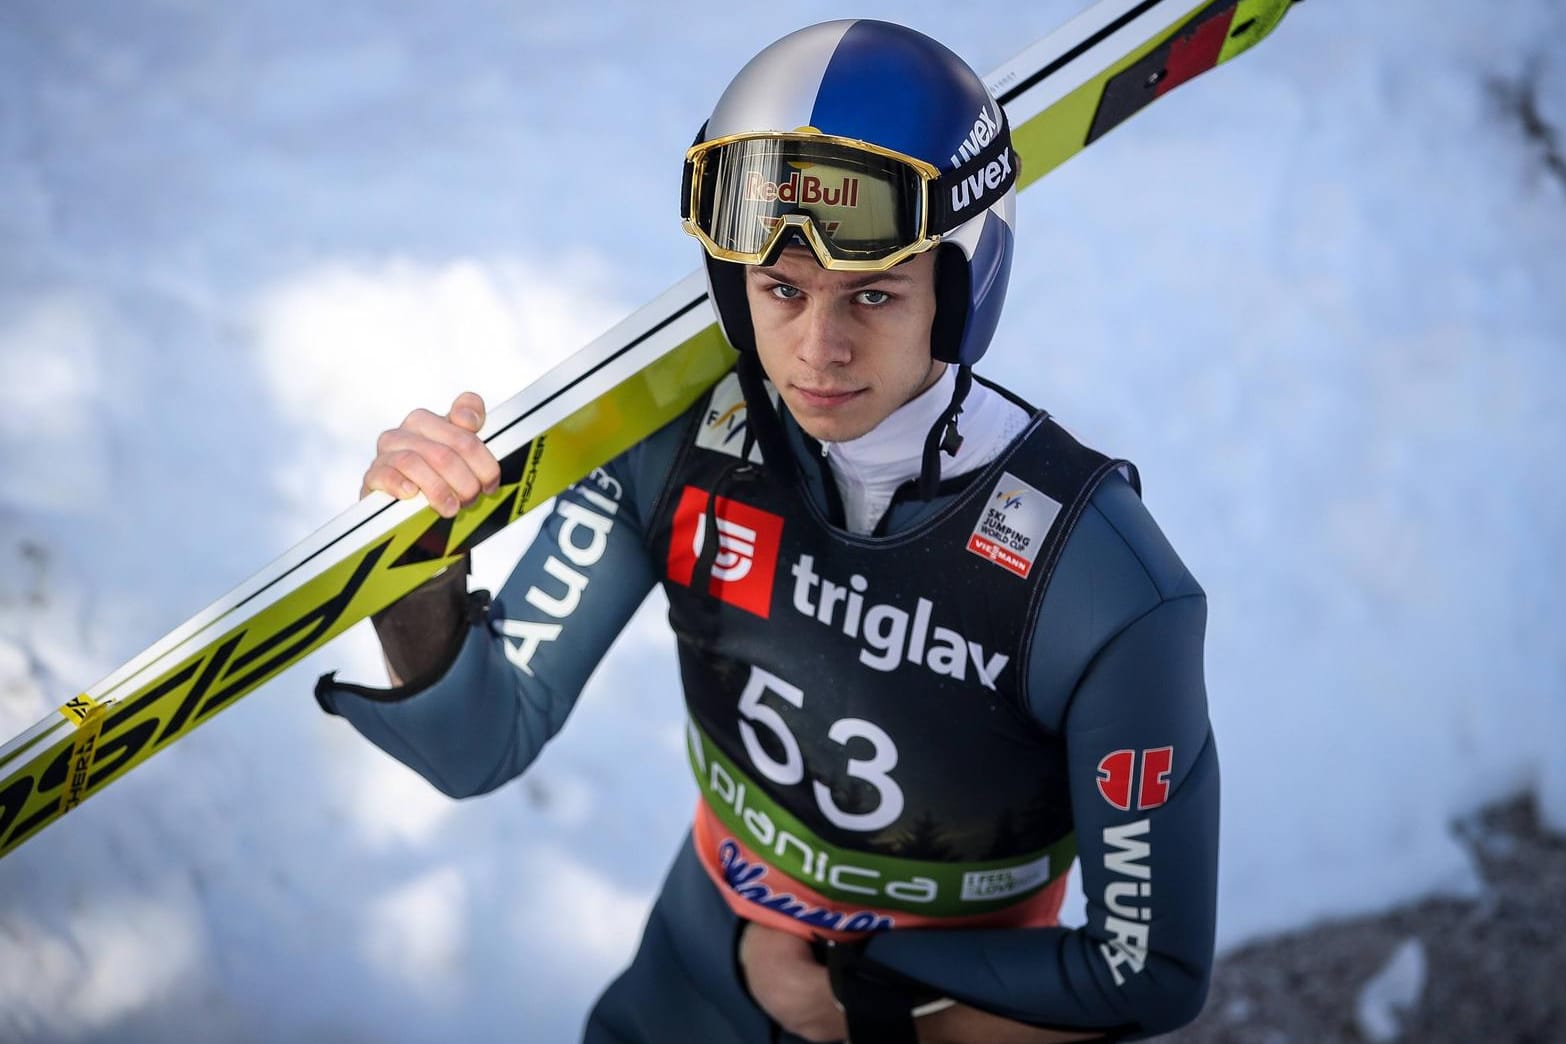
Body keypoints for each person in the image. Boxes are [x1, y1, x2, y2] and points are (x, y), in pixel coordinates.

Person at [316, 19, 1218, 1044]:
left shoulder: (1100, 583)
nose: (818, 350)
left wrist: (865, 996)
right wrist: (418, 581)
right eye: (781, 290)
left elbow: (1146, 975)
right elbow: (482, 744)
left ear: (960, 294)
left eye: (874, 294)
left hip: (961, 1011)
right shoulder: (674, 447)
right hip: (693, 971)